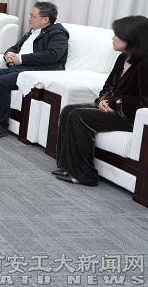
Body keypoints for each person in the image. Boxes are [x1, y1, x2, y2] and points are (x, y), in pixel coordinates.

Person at [53, 15, 148, 186]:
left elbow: (145, 101)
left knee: (78, 115)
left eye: (117, 35)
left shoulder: (144, 64)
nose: (112, 38)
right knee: (68, 110)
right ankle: (68, 166)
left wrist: (116, 103)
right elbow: (108, 86)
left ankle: (84, 175)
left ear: (131, 38)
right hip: (115, 111)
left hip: (130, 118)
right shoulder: (122, 58)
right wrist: (102, 101)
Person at [0, 1, 69, 140]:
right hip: (17, 68)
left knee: (0, 82)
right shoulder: (32, 32)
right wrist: (8, 55)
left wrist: (21, 59)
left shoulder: (58, 34)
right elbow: (15, 47)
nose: (29, 18)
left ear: (45, 19)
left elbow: (53, 55)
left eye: (33, 16)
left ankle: (0, 125)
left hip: (33, 72)